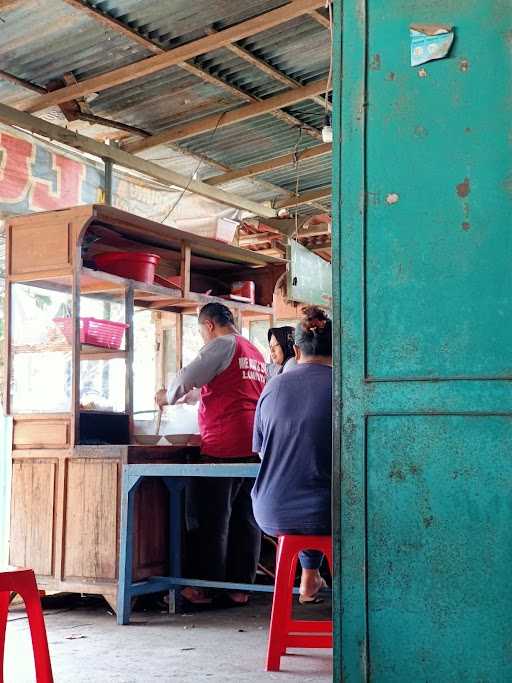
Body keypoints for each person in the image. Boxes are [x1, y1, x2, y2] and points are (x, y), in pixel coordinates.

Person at [156, 303, 266, 606]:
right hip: (254, 443)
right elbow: (214, 388)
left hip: (225, 442)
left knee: (212, 517)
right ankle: (241, 588)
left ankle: (204, 587)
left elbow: (184, 379)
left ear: (208, 325)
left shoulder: (220, 345)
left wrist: (167, 396)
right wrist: (185, 397)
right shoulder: (252, 350)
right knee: (246, 518)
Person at [251, 306, 332, 603]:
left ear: (295, 350)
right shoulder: (344, 389)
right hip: (326, 512)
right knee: (328, 499)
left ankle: (309, 576)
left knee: (310, 490)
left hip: (270, 509)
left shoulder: (273, 387)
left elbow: (262, 454)